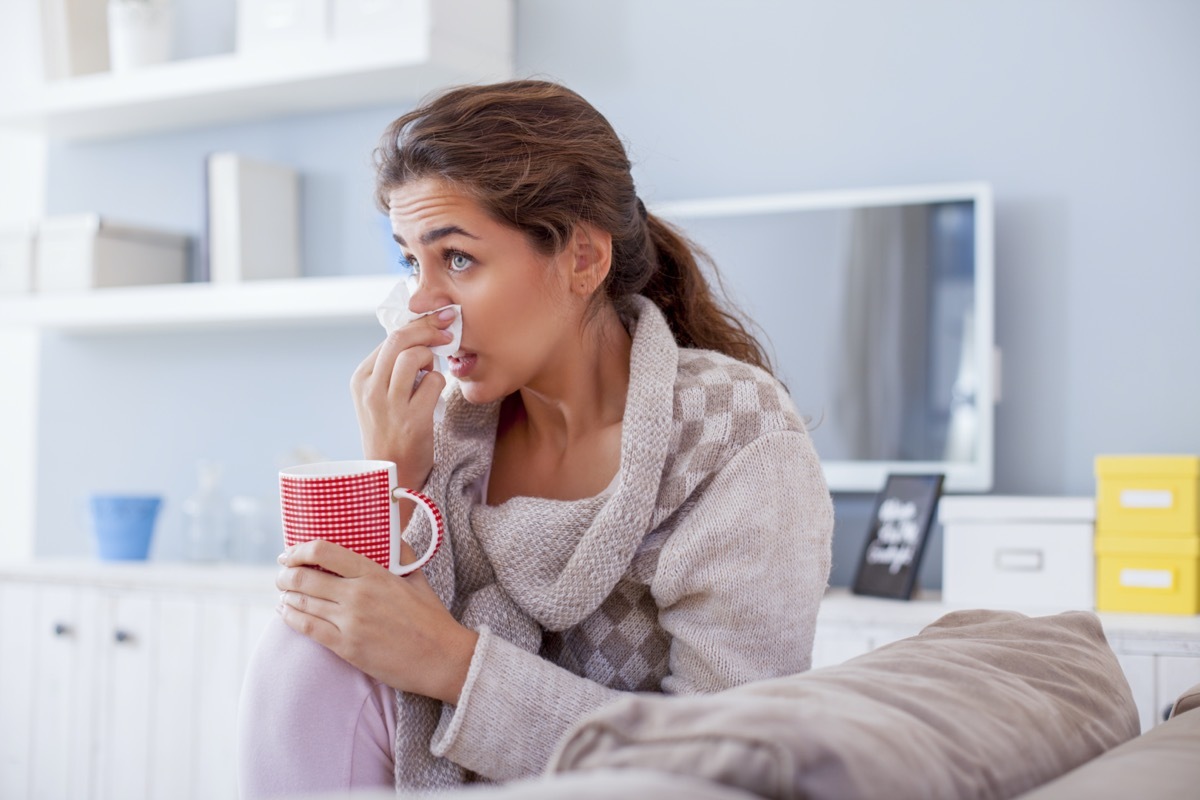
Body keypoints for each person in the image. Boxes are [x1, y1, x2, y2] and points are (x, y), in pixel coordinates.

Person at [237, 79, 833, 797]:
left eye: (456, 258)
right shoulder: (451, 429)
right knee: (305, 645)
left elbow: (730, 761)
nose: (419, 307)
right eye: (408, 262)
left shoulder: (734, 436)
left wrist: (454, 664)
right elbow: (363, 637)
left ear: (583, 259)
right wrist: (392, 474)